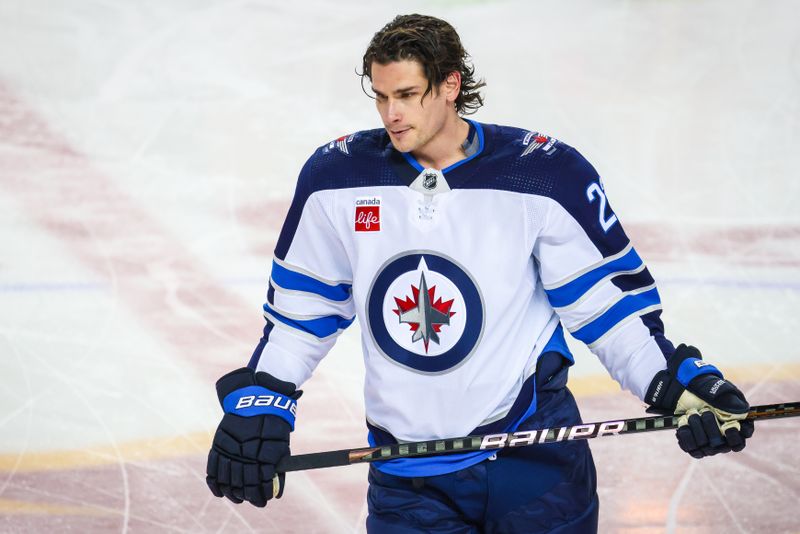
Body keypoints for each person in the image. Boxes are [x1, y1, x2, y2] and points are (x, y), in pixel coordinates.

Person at [205, 14, 754, 533]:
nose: (391, 114)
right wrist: (265, 400)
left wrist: (678, 387)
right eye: (380, 97)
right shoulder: (337, 180)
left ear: (450, 85)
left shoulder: (542, 175)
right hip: (408, 478)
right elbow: (304, 311)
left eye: (406, 96)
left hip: (535, 462)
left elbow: (609, 311)